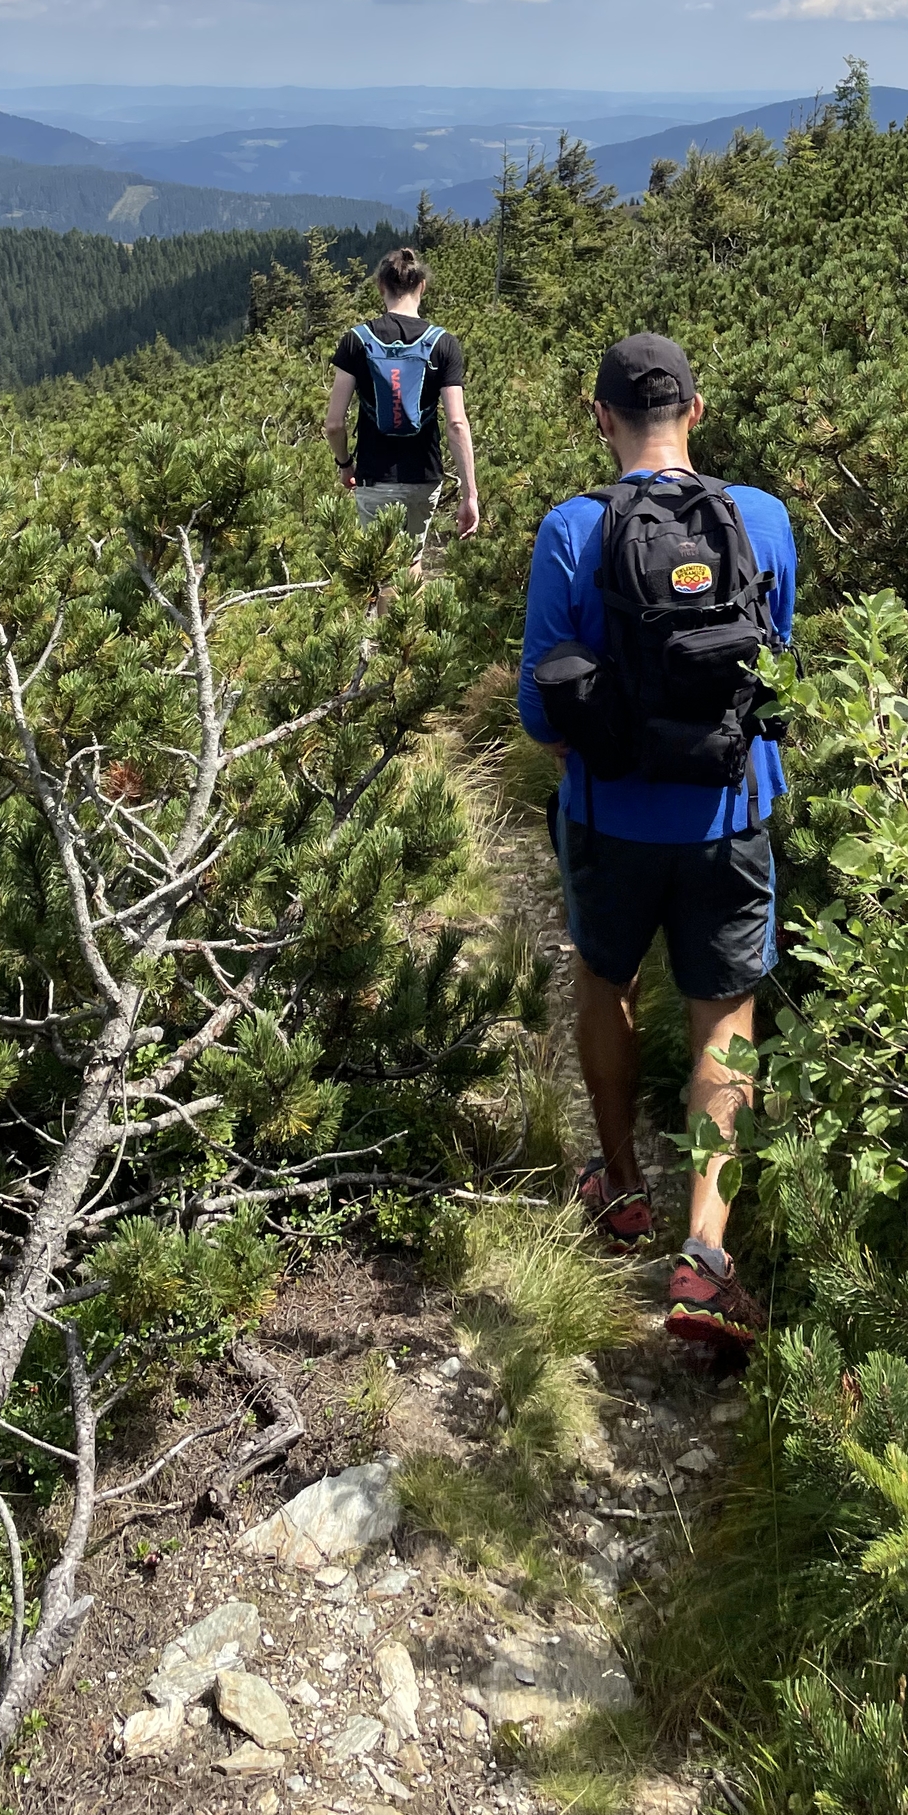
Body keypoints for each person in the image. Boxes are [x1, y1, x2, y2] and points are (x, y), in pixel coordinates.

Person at [518, 333, 796, 1349]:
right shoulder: (760, 519)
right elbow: (779, 685)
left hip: (607, 818)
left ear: (600, 420)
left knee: (605, 980)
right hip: (729, 816)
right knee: (722, 1019)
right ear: (697, 409)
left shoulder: (569, 529)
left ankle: (622, 1189)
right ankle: (704, 1259)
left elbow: (537, 714)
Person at [326, 245, 481, 541]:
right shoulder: (443, 343)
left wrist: (346, 465)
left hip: (374, 476)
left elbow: (334, 424)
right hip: (424, 476)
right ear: (421, 286)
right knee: (412, 562)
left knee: (376, 567)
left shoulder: (356, 340)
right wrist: (469, 492)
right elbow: (457, 424)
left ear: (381, 286)